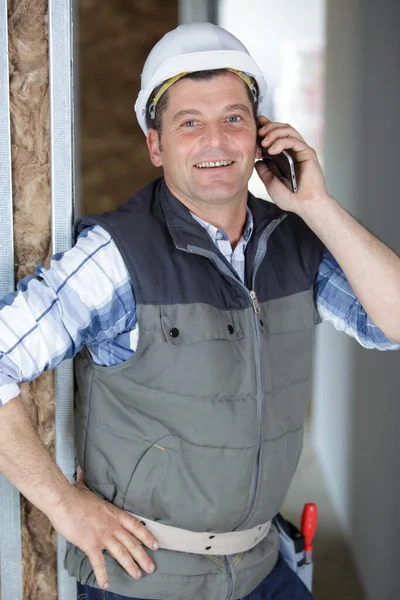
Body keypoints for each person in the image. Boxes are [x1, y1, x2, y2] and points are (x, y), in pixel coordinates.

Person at [0, 21, 399, 600]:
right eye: (190, 123)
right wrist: (67, 506)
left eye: (234, 118)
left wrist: (316, 204)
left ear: (261, 136)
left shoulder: (298, 243)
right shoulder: (115, 257)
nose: (216, 140)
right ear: (156, 145)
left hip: (264, 569)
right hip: (145, 583)